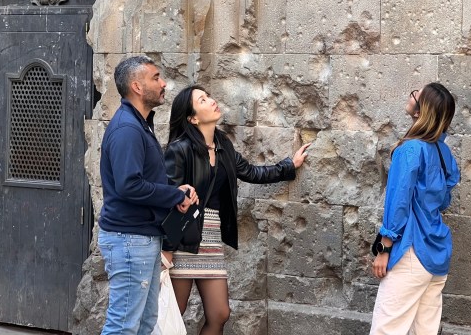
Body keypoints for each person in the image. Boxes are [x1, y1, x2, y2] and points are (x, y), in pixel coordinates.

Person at [162, 85, 311, 335]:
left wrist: (289, 165)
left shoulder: (223, 145)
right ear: (193, 117)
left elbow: (251, 172)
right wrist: (167, 249)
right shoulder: (180, 149)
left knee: (220, 313)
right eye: (203, 99)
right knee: (173, 313)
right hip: (183, 239)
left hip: (210, 235)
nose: (211, 101)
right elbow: (168, 197)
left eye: (209, 96)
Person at [98, 56, 199, 335]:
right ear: (137, 87)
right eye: (156, 77)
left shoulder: (139, 124)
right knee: (123, 326)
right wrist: (174, 197)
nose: (164, 83)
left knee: (143, 324)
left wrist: (174, 190)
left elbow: (144, 177)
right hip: (130, 241)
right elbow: (129, 185)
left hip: (141, 239)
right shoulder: (127, 129)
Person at [369, 82, 461, 335]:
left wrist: (384, 248)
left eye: (415, 95)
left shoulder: (409, 150)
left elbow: (398, 203)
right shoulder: (443, 152)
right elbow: (443, 199)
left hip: (411, 252)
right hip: (437, 254)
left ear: (420, 112)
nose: (411, 95)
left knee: (385, 331)